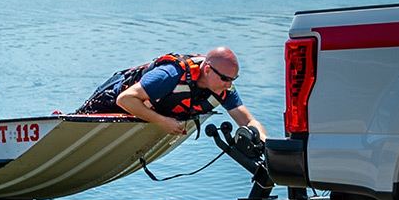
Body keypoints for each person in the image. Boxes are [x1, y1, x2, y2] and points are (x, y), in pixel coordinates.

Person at [78, 47, 267, 140]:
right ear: (207, 70)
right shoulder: (170, 75)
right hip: (109, 101)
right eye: (225, 79)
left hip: (144, 108)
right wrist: (162, 121)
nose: (229, 85)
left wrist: (266, 145)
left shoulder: (223, 87)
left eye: (233, 79)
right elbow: (125, 99)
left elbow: (248, 121)